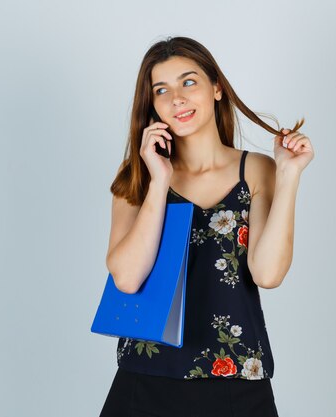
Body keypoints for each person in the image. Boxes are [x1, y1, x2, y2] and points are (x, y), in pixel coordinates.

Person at [99, 36, 314, 417]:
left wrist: (290, 175)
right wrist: (159, 181)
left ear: (216, 87)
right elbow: (128, 279)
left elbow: (267, 274)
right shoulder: (138, 177)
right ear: (151, 105)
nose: (176, 99)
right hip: (146, 379)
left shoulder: (257, 171)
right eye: (161, 90)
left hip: (234, 381)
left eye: (188, 82)